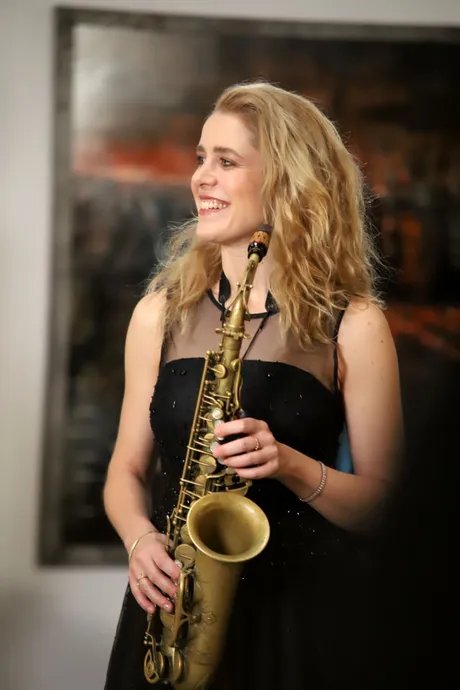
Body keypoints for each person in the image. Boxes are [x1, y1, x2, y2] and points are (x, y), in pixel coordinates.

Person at [102, 80, 404, 690]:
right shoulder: (159, 314)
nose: (201, 178)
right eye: (201, 158)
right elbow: (124, 473)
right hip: (171, 613)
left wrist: (288, 463)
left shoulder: (356, 324)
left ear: (286, 181)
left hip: (298, 624)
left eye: (227, 161)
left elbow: (384, 506)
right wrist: (140, 542)